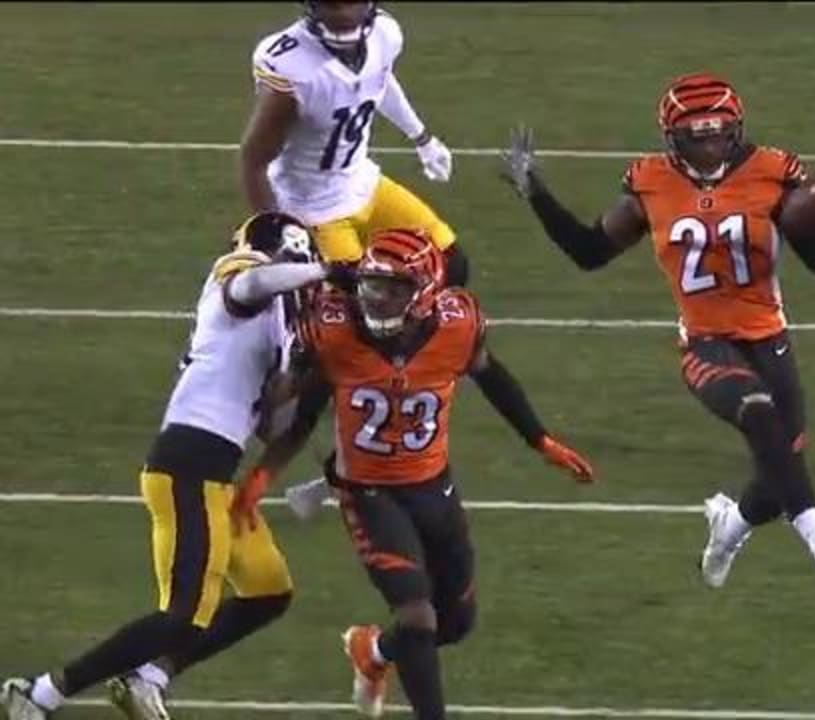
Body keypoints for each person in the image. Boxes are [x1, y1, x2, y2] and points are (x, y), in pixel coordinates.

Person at [498, 72, 815, 594]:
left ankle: (728, 529)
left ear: (736, 129)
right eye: (696, 134)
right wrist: (535, 192)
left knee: (776, 475)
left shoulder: (771, 171)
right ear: (673, 138)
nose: (709, 143)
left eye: (719, 131)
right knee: (759, 414)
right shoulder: (651, 182)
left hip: (769, 337)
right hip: (705, 341)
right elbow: (589, 252)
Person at [238, 228, 594, 719]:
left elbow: (491, 374)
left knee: (454, 622)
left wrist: (541, 440)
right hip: (366, 490)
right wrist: (262, 475)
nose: (378, 297)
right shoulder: (333, 329)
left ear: (425, 291)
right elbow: (302, 416)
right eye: (371, 284)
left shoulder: (458, 326)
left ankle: (374, 651)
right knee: (416, 613)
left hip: (432, 485)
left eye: (394, 288)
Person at [2, 213, 338, 720]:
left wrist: (300, 374)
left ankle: (149, 676)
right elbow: (254, 281)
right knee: (182, 616)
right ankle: (37, 693)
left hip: (215, 472)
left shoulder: (282, 326)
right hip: (189, 463)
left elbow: (272, 425)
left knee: (269, 590)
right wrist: (320, 274)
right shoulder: (243, 270)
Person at [241, 1, 469, 285]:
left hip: (362, 181)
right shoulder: (292, 67)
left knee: (450, 263)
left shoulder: (384, 34)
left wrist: (422, 138)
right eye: (333, 4)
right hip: (313, 208)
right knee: (357, 304)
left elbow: (377, 80)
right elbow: (253, 160)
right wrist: (276, 229)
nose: (345, 14)